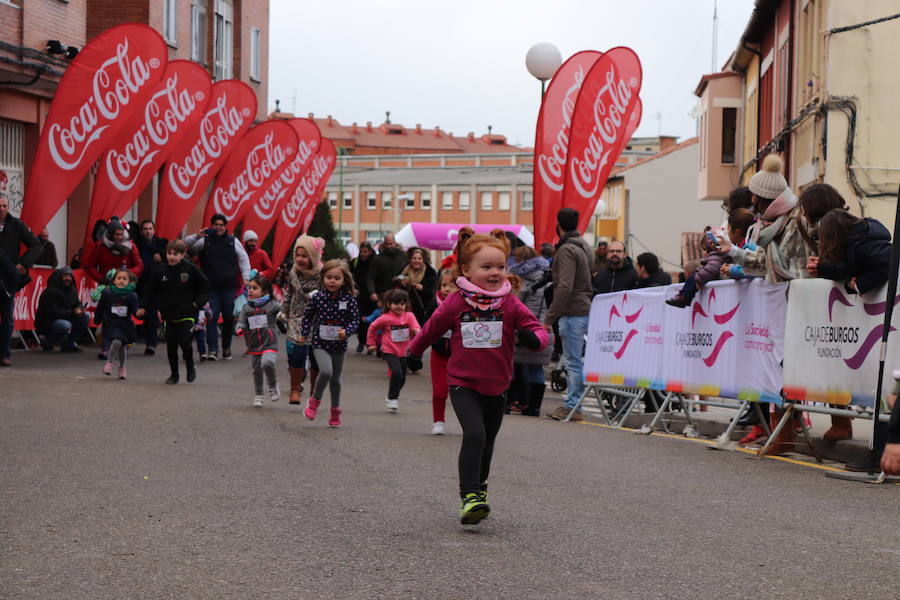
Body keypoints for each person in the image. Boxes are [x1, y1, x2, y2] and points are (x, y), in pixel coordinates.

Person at [408, 227, 549, 525]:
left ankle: (480, 488)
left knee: (487, 441)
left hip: (497, 386)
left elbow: (537, 328)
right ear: (467, 270)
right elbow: (432, 327)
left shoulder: (509, 302)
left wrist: (535, 338)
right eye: (486, 267)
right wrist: (412, 351)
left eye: (500, 266)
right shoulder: (458, 302)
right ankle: (469, 495)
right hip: (463, 383)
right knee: (474, 435)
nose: (495, 272)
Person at [544, 208, 595, 422]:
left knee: (573, 361)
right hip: (584, 307)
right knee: (578, 360)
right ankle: (574, 404)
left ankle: (573, 406)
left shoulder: (566, 250)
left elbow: (564, 285)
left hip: (572, 311)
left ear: (558, 224)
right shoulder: (584, 245)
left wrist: (549, 317)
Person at [137, 239, 209, 385]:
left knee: (185, 341)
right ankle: (174, 374)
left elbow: (204, 286)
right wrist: (143, 306)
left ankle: (190, 366)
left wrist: (197, 303)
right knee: (171, 345)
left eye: (175, 254)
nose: (171, 256)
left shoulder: (190, 269)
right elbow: (150, 291)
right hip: (168, 314)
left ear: (182, 255)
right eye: (169, 253)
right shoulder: (160, 271)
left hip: (187, 313)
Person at [299, 259, 360, 428]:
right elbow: (307, 317)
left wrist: (346, 331)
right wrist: (304, 334)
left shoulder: (349, 300)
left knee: (336, 379)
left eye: (336, 278)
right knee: (325, 371)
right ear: (323, 278)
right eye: (329, 277)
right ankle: (314, 401)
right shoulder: (318, 298)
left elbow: (355, 321)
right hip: (320, 343)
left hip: (339, 346)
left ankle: (335, 411)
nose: (332, 281)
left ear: (344, 280)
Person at [185, 214, 252, 361]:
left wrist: (246, 278)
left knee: (228, 318)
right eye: (216, 224)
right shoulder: (204, 240)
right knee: (211, 317)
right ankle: (213, 349)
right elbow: (188, 245)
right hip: (210, 287)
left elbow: (244, 259)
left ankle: (226, 347)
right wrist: (197, 235)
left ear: (225, 226)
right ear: (212, 225)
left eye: (221, 224)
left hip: (229, 287)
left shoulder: (232, 241)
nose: (219, 227)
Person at [507, 245, 553, 417]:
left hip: (521, 326)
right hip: (542, 326)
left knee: (511, 363)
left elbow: (513, 303)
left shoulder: (517, 279)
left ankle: (509, 402)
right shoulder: (547, 277)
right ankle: (533, 407)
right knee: (536, 367)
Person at [278, 235, 324, 404]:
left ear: (313, 256)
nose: (300, 259)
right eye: (298, 255)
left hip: (316, 320)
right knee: (297, 354)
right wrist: (283, 312)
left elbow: (330, 294)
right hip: (297, 319)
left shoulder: (322, 275)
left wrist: (320, 297)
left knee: (315, 356)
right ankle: (295, 389)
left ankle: (314, 391)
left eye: (304, 256)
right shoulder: (293, 274)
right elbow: (288, 294)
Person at [0, 196, 41, 366]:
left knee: (7, 318)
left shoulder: (17, 225)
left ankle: (4, 353)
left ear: (8, 207)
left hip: (8, 279)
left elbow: (36, 245)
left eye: (4, 205)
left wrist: (24, 264)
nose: (1, 208)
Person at [366, 288, 420, 412]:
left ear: (406, 304)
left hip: (405, 351)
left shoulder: (409, 316)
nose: (399, 306)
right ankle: (392, 398)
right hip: (389, 350)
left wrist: (416, 331)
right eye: (396, 303)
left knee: (402, 378)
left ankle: (393, 394)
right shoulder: (385, 318)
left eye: (402, 304)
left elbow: (416, 327)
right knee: (396, 373)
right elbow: (372, 328)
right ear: (389, 304)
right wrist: (371, 343)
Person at [236, 275, 282, 407]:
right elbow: (241, 321)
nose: (250, 290)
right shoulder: (246, 308)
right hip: (254, 345)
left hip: (270, 343)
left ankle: (273, 386)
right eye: (249, 287)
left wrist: (282, 315)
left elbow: (282, 310)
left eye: (254, 288)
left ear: (265, 292)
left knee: (267, 363)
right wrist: (240, 328)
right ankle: (259, 394)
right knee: (256, 371)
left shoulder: (272, 305)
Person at [422, 266, 457, 434]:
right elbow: (426, 327)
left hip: (460, 357)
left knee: (461, 393)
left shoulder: (464, 306)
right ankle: (438, 421)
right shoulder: (433, 305)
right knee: (440, 391)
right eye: (444, 285)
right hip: (438, 354)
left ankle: (467, 422)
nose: (447, 289)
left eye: (451, 286)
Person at [94, 267, 139, 379]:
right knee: (117, 341)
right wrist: (97, 319)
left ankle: (122, 367)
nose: (121, 281)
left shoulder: (132, 295)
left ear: (129, 281)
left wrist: (139, 312)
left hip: (125, 324)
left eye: (124, 279)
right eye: (119, 278)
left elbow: (134, 311)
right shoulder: (107, 293)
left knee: (123, 347)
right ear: (114, 280)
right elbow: (100, 307)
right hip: (110, 323)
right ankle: (109, 362)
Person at [34, 267, 90, 353]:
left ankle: (69, 344)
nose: (68, 278)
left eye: (70, 276)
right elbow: (53, 313)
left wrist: (80, 308)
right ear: (59, 277)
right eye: (65, 276)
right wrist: (73, 312)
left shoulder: (72, 290)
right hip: (48, 322)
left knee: (86, 316)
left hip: (65, 318)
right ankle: (47, 341)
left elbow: (77, 303)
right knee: (64, 325)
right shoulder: (50, 292)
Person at [666, 230, 725, 307]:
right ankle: (683, 296)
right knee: (692, 278)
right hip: (705, 275)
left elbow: (712, 269)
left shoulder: (715, 257)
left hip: (706, 277)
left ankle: (684, 297)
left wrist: (698, 276)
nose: (703, 253)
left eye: (705, 250)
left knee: (693, 278)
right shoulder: (715, 256)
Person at [134, 220, 167, 355]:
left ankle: (151, 344)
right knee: (135, 311)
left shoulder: (161, 244)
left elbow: (170, 261)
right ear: (142, 231)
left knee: (151, 315)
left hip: (155, 284)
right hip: (139, 283)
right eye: (145, 229)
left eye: (150, 229)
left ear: (154, 230)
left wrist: (162, 259)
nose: (148, 231)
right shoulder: (137, 244)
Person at [83, 218, 144, 284]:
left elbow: (139, 266)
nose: (119, 237)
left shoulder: (130, 246)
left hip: (125, 284)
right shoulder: (100, 246)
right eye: (117, 235)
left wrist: (127, 273)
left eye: (121, 235)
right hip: (106, 284)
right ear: (110, 234)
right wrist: (101, 279)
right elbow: (91, 267)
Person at [396, 246, 437, 338]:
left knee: (418, 334)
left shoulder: (430, 272)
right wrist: (402, 284)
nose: (416, 261)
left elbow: (432, 292)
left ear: (423, 260)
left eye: (419, 258)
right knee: (405, 334)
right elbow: (396, 286)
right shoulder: (404, 270)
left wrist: (422, 288)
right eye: (414, 258)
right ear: (410, 260)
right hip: (405, 308)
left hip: (422, 310)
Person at [366, 233, 407, 302]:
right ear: (384, 244)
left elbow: (407, 272)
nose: (389, 246)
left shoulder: (403, 256)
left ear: (395, 243)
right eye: (387, 244)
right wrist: (372, 292)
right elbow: (370, 277)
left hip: (401, 294)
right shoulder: (378, 259)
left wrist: (403, 279)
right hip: (383, 295)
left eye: (391, 244)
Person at [351, 241, 376, 353]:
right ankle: (361, 341)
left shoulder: (375, 262)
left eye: (365, 252)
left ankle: (369, 343)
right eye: (361, 251)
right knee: (359, 320)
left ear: (370, 252)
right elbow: (349, 276)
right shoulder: (355, 262)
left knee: (370, 321)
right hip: (359, 296)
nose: (363, 254)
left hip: (372, 297)